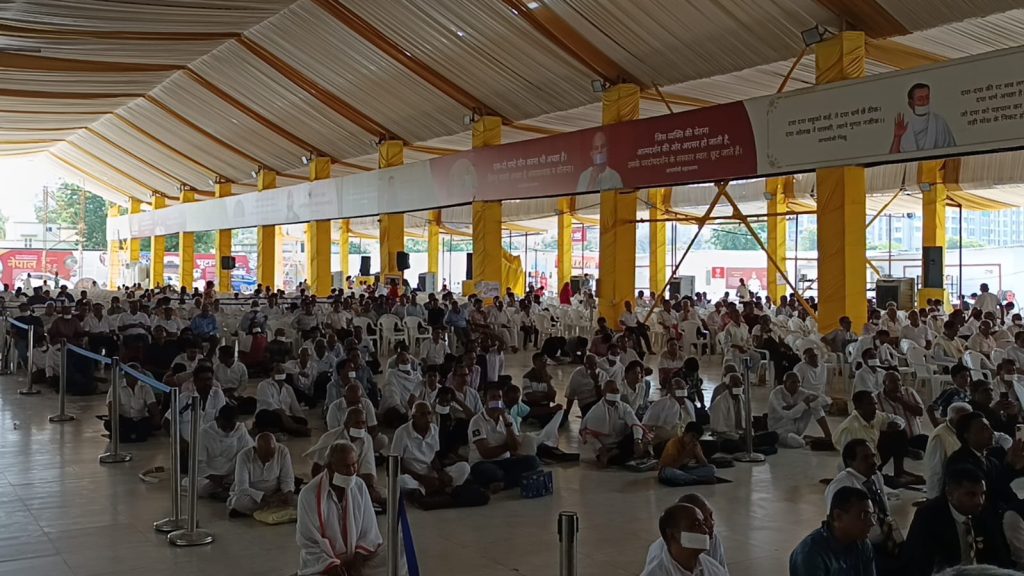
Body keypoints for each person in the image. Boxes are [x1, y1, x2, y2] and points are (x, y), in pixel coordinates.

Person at [296, 441, 401, 576]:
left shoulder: (359, 485)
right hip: (325, 562)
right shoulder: (308, 494)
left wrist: (357, 561)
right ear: (330, 468)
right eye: (346, 466)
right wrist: (332, 567)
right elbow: (309, 543)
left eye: (354, 465)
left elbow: (369, 532)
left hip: (358, 557)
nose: (352, 471)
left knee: (399, 551)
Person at [903, 465, 1012, 574]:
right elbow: (918, 564)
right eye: (971, 494)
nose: (979, 501)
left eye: (982, 494)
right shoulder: (929, 516)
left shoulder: (985, 512)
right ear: (949, 494)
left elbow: (1000, 556)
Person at [392, 401, 484, 510]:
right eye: (422, 414)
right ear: (414, 417)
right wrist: (421, 478)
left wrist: (440, 472)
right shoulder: (401, 432)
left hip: (431, 474)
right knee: (401, 481)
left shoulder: (434, 429)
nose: (427, 418)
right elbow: (395, 463)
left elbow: (434, 456)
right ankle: (438, 491)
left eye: (429, 413)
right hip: (413, 477)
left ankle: (432, 491)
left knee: (464, 467)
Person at [825, 439, 900, 572]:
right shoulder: (842, 485)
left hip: (887, 541)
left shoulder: (875, 477)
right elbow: (837, 526)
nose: (873, 461)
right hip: (862, 548)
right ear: (850, 462)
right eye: (865, 458)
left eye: (873, 456)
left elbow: (884, 511)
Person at [834, 390, 920, 487]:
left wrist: (897, 424)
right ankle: (900, 480)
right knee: (889, 483)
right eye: (870, 404)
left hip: (872, 461)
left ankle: (899, 471)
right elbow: (849, 461)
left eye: (875, 404)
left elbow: (897, 419)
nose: (875, 408)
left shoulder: (876, 416)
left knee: (899, 433)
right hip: (859, 470)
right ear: (858, 406)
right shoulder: (850, 428)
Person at [467, 387, 542, 492]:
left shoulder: (508, 419)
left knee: (533, 461)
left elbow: (515, 447)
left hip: (504, 460)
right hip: (482, 462)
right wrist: (507, 447)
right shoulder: (477, 421)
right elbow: (485, 453)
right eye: (493, 397)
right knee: (493, 473)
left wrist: (505, 419)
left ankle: (504, 484)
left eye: (499, 397)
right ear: (485, 400)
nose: (497, 400)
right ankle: (511, 480)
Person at [789, 486, 876, 576]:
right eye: (864, 515)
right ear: (838, 516)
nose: (872, 523)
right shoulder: (809, 555)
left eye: (872, 516)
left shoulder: (862, 544)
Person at [640, 503, 727, 576]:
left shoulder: (715, 570)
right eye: (696, 525)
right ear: (671, 535)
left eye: (703, 524)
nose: (705, 531)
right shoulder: (654, 573)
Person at [579, 380, 650, 468]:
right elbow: (588, 434)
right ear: (603, 392)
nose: (615, 392)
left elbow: (635, 423)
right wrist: (600, 449)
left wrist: (637, 441)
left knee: (637, 432)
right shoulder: (595, 411)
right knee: (619, 459)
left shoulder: (624, 407)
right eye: (612, 390)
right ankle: (612, 456)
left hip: (621, 444)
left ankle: (611, 456)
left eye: (617, 390)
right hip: (605, 448)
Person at [227, 432, 297, 517]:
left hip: (275, 492)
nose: (269, 460)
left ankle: (255, 510)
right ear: (255, 450)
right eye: (265, 457)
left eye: (271, 456)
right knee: (238, 502)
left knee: (298, 499)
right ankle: (272, 507)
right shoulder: (243, 456)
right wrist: (264, 497)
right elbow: (242, 488)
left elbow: (287, 479)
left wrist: (288, 492)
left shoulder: (283, 451)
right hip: (254, 495)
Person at [196, 405, 254, 500]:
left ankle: (228, 492)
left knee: (249, 483)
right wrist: (215, 479)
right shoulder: (204, 433)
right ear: (218, 420)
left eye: (231, 426)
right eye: (225, 425)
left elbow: (247, 455)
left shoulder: (241, 431)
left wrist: (237, 476)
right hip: (211, 475)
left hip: (233, 473)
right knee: (201, 490)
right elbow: (199, 463)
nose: (228, 429)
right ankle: (227, 492)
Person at [768, 371, 830, 448]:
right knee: (798, 443)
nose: (797, 385)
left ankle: (828, 436)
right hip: (779, 430)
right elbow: (788, 414)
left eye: (798, 382)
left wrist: (813, 401)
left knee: (815, 405)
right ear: (784, 383)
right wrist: (804, 403)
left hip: (796, 427)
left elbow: (824, 400)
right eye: (793, 382)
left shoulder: (801, 391)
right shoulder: (776, 393)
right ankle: (809, 439)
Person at [889, 82, 956, 153]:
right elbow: (893, 156)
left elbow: (952, 150)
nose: (925, 102)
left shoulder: (939, 122)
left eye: (927, 98)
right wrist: (897, 136)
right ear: (911, 104)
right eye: (920, 99)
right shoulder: (904, 126)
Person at [925, 402, 973, 499]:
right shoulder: (940, 436)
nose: (966, 421)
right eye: (962, 417)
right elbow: (935, 471)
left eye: (969, 417)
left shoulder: (965, 431)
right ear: (950, 418)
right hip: (949, 490)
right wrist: (933, 499)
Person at [104, 362, 160, 443]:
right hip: (123, 420)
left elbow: (153, 406)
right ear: (125, 375)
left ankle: (131, 434)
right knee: (109, 424)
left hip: (141, 420)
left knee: (147, 425)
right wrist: (113, 422)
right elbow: (111, 406)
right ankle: (132, 434)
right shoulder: (116, 386)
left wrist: (156, 418)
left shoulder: (145, 387)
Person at [254, 364, 311, 437]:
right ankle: (290, 428)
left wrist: (302, 419)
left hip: (285, 417)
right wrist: (289, 422)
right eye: (278, 371)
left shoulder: (288, 388)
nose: (281, 373)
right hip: (271, 414)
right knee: (264, 416)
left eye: (282, 371)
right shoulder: (263, 385)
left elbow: (295, 407)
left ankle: (278, 429)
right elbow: (268, 404)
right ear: (271, 373)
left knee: (302, 421)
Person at [793, 346, 835, 443]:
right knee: (797, 431)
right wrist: (805, 399)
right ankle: (828, 435)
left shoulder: (823, 366)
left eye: (815, 356)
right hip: (803, 396)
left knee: (816, 405)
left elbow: (822, 386)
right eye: (810, 357)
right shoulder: (800, 368)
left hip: (817, 397)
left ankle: (827, 435)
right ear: (805, 359)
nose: (814, 358)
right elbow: (796, 387)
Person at [642, 377, 696, 451]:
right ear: (670, 390)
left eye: (683, 389)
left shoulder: (689, 405)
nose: (681, 392)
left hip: (684, 444)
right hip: (662, 444)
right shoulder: (660, 404)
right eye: (678, 389)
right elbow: (646, 426)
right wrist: (645, 445)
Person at [656, 422, 716, 487]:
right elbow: (671, 467)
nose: (694, 440)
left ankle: (689, 479)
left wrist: (699, 454)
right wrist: (685, 455)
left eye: (697, 438)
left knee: (711, 469)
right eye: (692, 436)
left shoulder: (695, 444)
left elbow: (705, 465)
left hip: (684, 470)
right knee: (671, 473)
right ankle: (698, 480)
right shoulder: (673, 444)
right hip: (669, 470)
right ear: (685, 433)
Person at [563, 354, 606, 420]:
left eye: (595, 364)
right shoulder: (577, 374)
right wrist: (567, 413)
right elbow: (571, 394)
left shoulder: (602, 374)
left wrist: (596, 382)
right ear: (585, 364)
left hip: (599, 402)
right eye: (590, 364)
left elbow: (602, 396)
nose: (594, 367)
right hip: (585, 403)